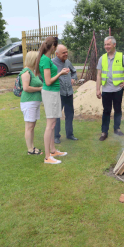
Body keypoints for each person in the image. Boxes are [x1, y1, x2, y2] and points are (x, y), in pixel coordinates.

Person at [35, 36, 70, 165]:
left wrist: (61, 72)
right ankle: (47, 157)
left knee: (53, 124)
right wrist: (61, 73)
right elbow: (48, 81)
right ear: (54, 47)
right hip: (50, 93)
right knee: (49, 126)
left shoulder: (46, 59)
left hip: (54, 93)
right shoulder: (45, 60)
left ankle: (53, 151)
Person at [96, 36, 124, 141]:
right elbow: (99, 75)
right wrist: (97, 89)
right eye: (105, 44)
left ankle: (117, 129)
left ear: (114, 45)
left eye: (108, 44)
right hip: (105, 90)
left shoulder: (121, 57)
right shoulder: (102, 58)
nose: (106, 47)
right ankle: (104, 132)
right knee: (106, 111)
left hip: (118, 90)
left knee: (117, 110)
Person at [52, 44, 78, 143]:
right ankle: (56, 136)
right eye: (64, 53)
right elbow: (44, 77)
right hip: (59, 93)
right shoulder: (52, 63)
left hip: (69, 93)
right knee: (57, 115)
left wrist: (73, 78)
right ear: (57, 54)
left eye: (66, 52)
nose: (66, 54)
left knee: (70, 114)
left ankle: (70, 134)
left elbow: (74, 72)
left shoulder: (68, 62)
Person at [19, 51, 43, 155]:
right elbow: (26, 88)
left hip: (34, 103)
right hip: (29, 102)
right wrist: (40, 88)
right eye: (37, 59)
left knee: (32, 126)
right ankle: (30, 149)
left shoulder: (33, 71)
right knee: (29, 126)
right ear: (33, 59)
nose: (39, 61)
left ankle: (32, 147)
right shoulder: (26, 72)